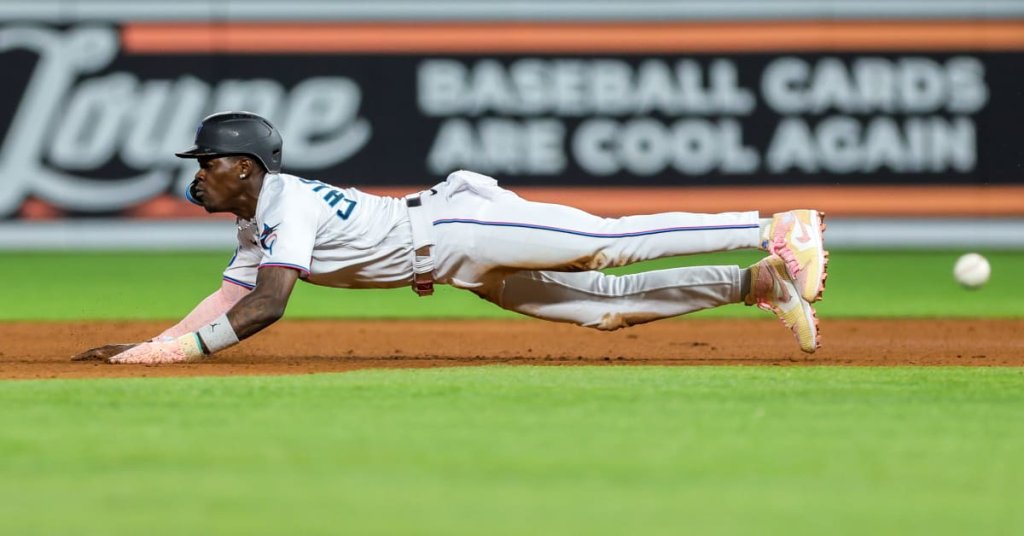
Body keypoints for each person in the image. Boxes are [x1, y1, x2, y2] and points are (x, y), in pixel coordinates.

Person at [72, 111, 828, 364]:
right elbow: (231, 294)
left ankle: (770, 226)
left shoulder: (286, 202)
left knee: (604, 244)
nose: (197, 176)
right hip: (457, 264)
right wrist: (154, 347)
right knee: (604, 308)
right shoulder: (257, 216)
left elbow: (267, 307)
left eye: (207, 164)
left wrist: (178, 354)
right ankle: (757, 282)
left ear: (243, 166)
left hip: (457, 226)